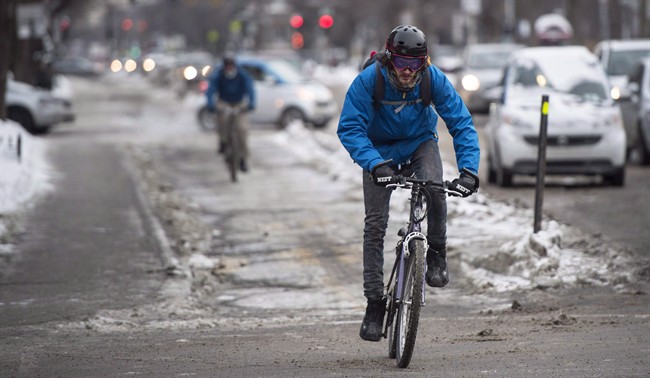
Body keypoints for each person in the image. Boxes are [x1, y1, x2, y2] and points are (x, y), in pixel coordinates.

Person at [337, 25, 480, 342]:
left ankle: (437, 254)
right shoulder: (368, 81)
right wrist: (375, 164)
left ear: (424, 63)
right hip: (378, 151)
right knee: (375, 224)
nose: (406, 71)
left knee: (435, 189)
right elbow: (349, 128)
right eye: (401, 62)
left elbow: (461, 123)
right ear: (389, 58)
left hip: (419, 144)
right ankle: (374, 304)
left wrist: (469, 170)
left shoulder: (433, 80)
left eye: (414, 65)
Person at [205, 53, 256, 172]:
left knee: (242, 130)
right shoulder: (218, 75)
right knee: (222, 120)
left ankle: (243, 158)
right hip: (224, 102)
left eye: (231, 65)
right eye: (227, 65)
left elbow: (250, 89)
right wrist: (211, 104)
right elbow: (210, 90)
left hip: (239, 103)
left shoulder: (242, 75)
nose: (229, 68)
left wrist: (251, 103)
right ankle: (223, 141)